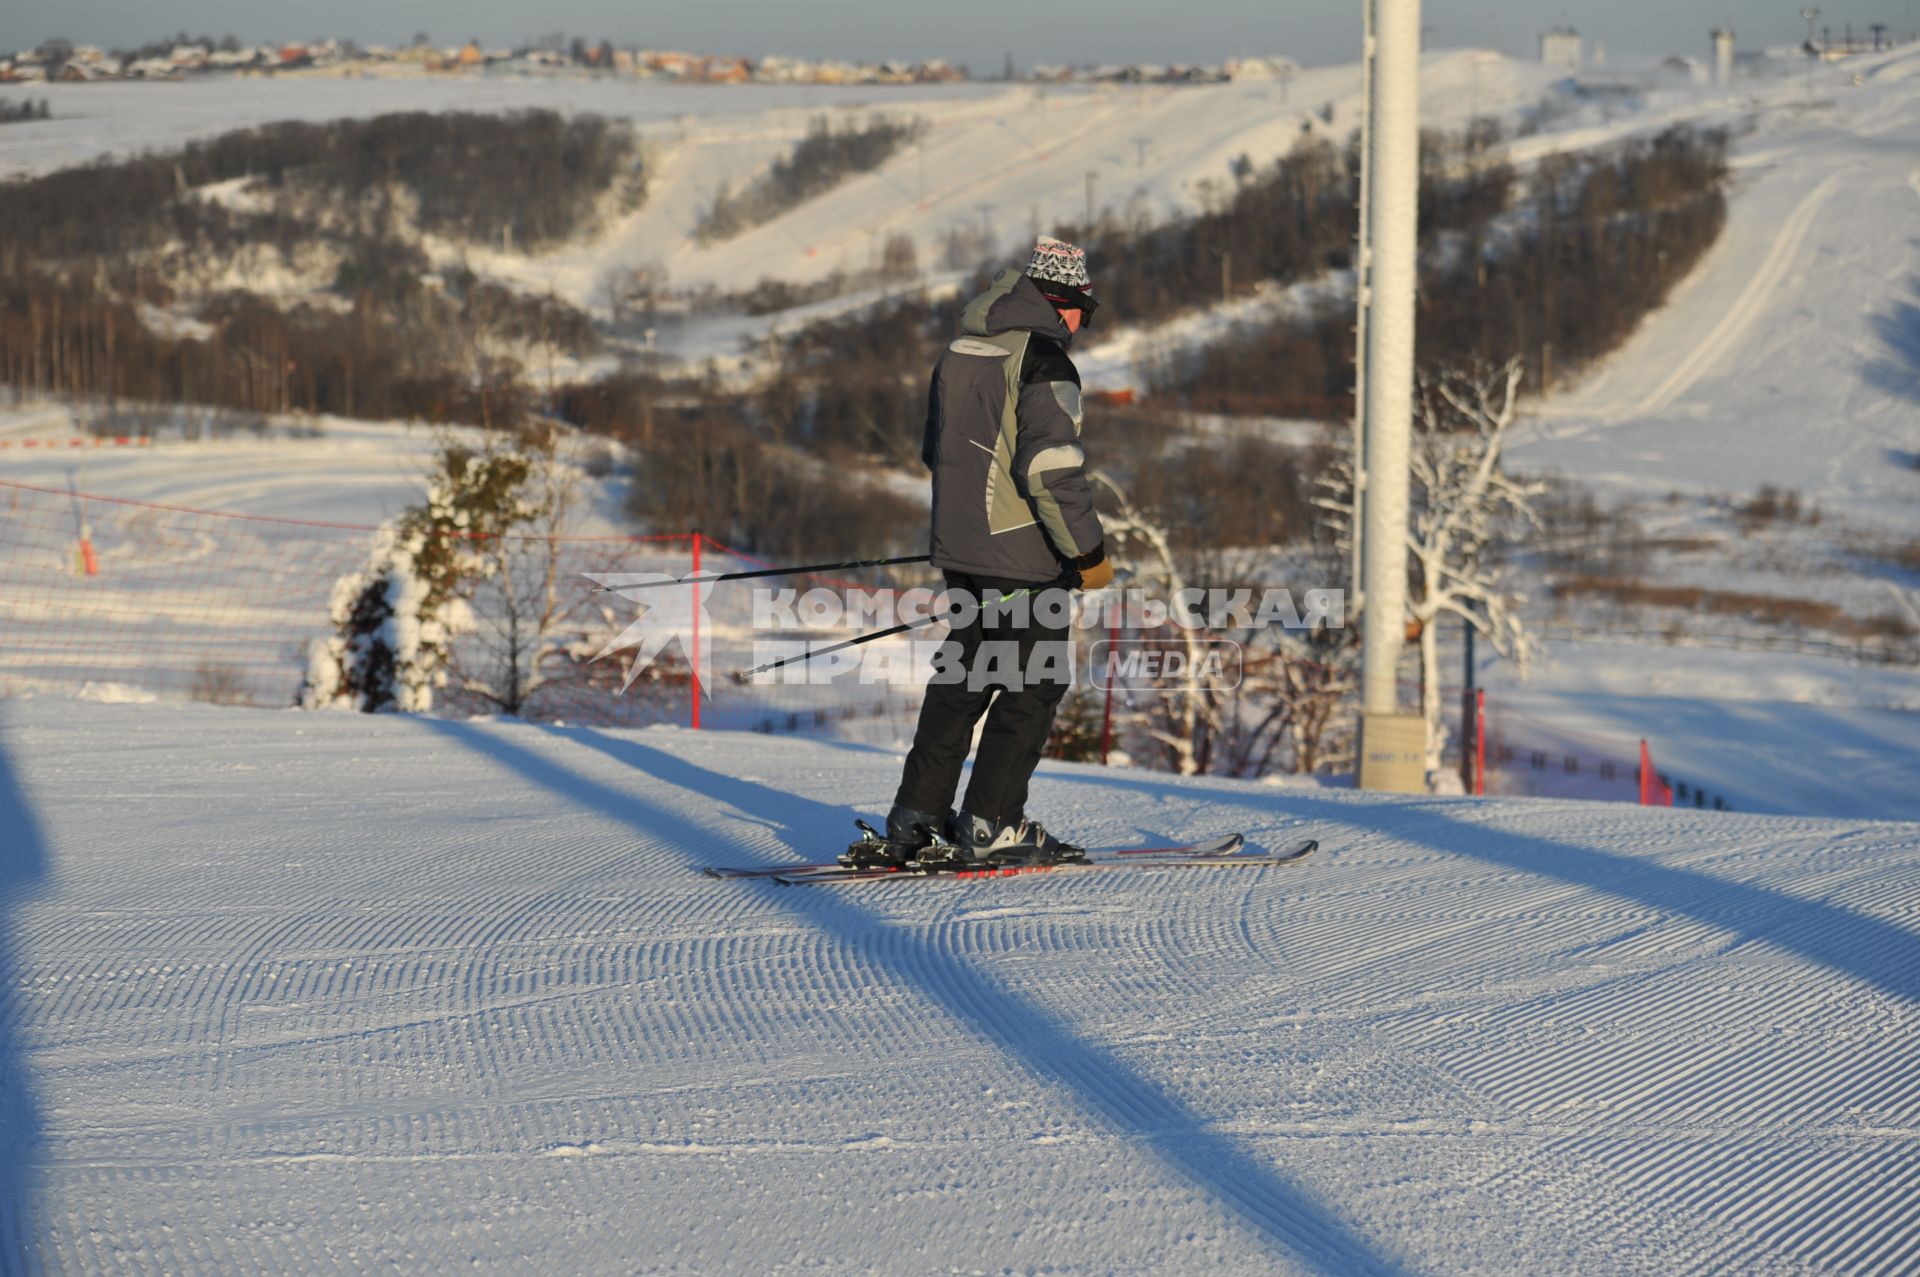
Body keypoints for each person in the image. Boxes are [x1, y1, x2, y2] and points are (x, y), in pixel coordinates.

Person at [865, 237, 1115, 867]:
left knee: (963, 681)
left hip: (961, 549)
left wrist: (973, 524)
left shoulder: (960, 351)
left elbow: (935, 453)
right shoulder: (1044, 360)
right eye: (1087, 308)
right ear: (1064, 303)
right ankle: (992, 823)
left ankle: (916, 817)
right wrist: (1088, 555)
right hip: (1023, 559)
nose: (1086, 322)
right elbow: (1051, 471)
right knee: (1033, 685)